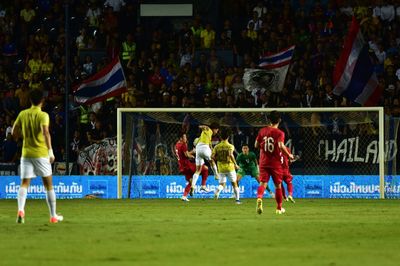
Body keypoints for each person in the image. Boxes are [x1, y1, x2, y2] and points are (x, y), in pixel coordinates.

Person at [11, 89, 63, 224]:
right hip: (41, 154)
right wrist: (50, 151)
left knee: (24, 184)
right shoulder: (43, 115)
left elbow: (13, 131)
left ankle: (21, 211)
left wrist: (20, 137)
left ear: (30, 100)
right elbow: (45, 132)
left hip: (26, 154)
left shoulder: (23, 114)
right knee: (48, 185)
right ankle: (53, 216)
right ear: (42, 101)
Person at [255, 111, 294, 215]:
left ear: (269, 120)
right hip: (275, 163)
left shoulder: (262, 131)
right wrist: (289, 155)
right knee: (278, 185)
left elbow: (256, 145)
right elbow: (281, 145)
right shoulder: (280, 133)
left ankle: (259, 198)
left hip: (263, 161)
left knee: (262, 183)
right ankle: (278, 208)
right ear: (279, 120)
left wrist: (263, 147)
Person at [175, 133, 209, 201]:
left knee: (191, 182)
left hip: (182, 167)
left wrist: (190, 154)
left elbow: (182, 155)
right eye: (184, 137)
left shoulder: (176, 145)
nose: (186, 138)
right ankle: (203, 185)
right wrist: (192, 153)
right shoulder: (183, 144)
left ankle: (184, 196)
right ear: (181, 138)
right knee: (205, 168)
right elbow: (187, 155)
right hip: (187, 166)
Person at [212, 128, 241, 204]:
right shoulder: (230, 146)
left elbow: (212, 157)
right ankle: (237, 200)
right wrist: (235, 164)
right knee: (234, 183)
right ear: (228, 137)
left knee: (222, 184)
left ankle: (218, 189)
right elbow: (231, 154)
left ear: (221, 137)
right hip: (230, 167)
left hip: (221, 168)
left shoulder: (216, 147)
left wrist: (218, 158)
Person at [191, 122, 219, 195]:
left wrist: (212, 148)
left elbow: (209, 143)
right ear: (214, 129)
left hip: (198, 149)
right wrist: (204, 126)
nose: (217, 132)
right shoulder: (208, 130)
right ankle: (216, 175)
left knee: (198, 170)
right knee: (211, 160)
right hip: (204, 147)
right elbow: (203, 127)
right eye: (217, 130)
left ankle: (193, 186)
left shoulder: (208, 135)